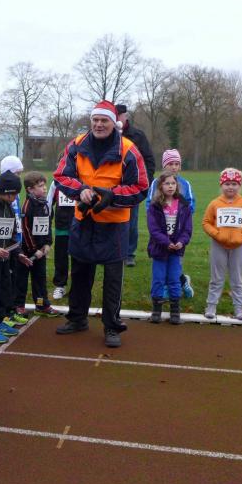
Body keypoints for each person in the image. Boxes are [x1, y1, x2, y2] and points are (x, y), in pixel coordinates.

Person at [53, 100, 149, 348]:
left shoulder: (128, 150)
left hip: (114, 224)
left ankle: (112, 326)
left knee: (113, 280)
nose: (98, 124)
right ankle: (77, 319)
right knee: (80, 275)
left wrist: (112, 196)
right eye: (95, 120)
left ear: (113, 123)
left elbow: (141, 187)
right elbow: (61, 175)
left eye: (104, 120)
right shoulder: (76, 145)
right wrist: (81, 190)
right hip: (83, 219)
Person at [201, 168, 242, 321]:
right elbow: (206, 222)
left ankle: (239, 308)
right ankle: (211, 306)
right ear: (221, 185)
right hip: (218, 246)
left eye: (234, 184)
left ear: (240, 185)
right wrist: (216, 234)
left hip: (239, 247)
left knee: (237, 279)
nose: (230, 187)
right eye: (227, 184)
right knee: (216, 278)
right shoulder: (215, 203)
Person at [0, 171, 31, 344]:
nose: (16, 197)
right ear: (7, 192)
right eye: (15, 194)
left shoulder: (9, 209)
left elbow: (11, 236)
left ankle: (0, 321)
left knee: (5, 290)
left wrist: (19, 254)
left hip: (5, 260)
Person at [148, 149, 196, 298]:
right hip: (161, 232)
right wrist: (155, 218)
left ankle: (180, 282)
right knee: (160, 263)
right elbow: (150, 203)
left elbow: (190, 203)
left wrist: (183, 217)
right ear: (164, 165)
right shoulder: (156, 183)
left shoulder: (185, 184)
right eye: (170, 164)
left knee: (175, 262)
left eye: (177, 164)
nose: (174, 167)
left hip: (178, 232)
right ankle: (163, 287)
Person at [147, 172, 193, 325]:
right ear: (160, 186)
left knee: (174, 279)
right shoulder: (154, 206)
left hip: (176, 250)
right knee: (158, 279)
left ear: (177, 186)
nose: (170, 186)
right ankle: (156, 310)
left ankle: (175, 310)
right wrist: (166, 242)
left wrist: (181, 242)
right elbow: (153, 230)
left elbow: (187, 229)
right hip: (160, 249)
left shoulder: (184, 205)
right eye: (167, 183)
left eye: (173, 183)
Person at [15, 171, 60, 317]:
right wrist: (34, 250)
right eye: (40, 186)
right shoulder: (27, 206)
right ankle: (19, 306)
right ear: (30, 189)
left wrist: (47, 244)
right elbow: (25, 230)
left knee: (40, 280)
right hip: (26, 252)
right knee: (21, 281)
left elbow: (48, 225)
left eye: (44, 185)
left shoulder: (45, 205)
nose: (45, 188)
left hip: (41, 250)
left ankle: (41, 305)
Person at [116, 104, 156, 268]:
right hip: (111, 186)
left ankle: (129, 254)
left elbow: (149, 160)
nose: (117, 118)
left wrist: (145, 184)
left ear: (125, 116)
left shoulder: (137, 136)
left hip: (132, 187)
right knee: (110, 220)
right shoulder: (107, 135)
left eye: (119, 115)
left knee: (131, 222)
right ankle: (112, 252)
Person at [47, 179, 75, 300]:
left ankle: (77, 287)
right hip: (62, 226)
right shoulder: (56, 182)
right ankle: (60, 285)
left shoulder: (84, 179)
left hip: (80, 227)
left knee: (79, 258)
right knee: (61, 257)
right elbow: (49, 202)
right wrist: (47, 220)